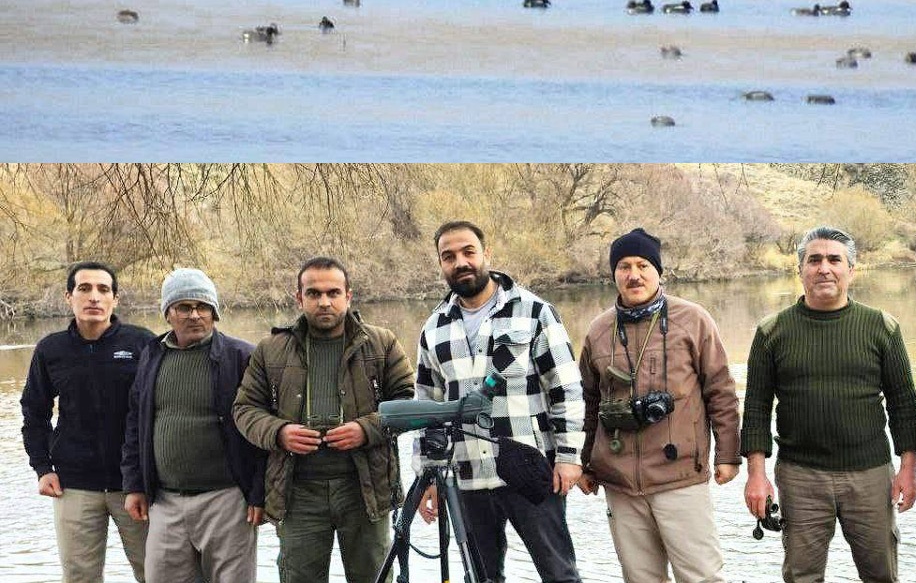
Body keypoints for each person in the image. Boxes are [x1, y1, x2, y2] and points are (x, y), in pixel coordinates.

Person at [741, 226, 916, 583]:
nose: (824, 268)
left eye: (834, 260)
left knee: (881, 574)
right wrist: (756, 475)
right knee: (801, 576)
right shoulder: (771, 331)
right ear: (801, 270)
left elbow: (904, 403)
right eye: (814, 260)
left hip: (870, 475)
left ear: (851, 270)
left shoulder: (881, 327)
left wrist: (908, 468)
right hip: (800, 478)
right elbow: (756, 409)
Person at [415, 221, 585, 583]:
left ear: (486, 254)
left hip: (530, 466)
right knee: (481, 577)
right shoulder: (434, 328)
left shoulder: (535, 311)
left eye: (468, 252)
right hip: (466, 475)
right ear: (441, 264)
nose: (460, 262)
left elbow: (566, 388)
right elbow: (427, 405)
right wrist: (428, 473)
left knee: (559, 573)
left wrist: (569, 457)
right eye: (449, 256)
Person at [234, 256, 416, 583]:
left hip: (365, 490)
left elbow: (406, 401)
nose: (324, 302)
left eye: (333, 292)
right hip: (296, 491)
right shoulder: (271, 349)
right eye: (314, 293)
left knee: (374, 577)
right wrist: (279, 432)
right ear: (299, 298)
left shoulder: (381, 342)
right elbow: (245, 409)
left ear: (349, 296)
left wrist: (366, 429)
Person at [578, 227, 742, 583]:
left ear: (658, 271)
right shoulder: (598, 331)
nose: (633, 275)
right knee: (639, 579)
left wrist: (728, 455)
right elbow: (588, 404)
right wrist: (585, 464)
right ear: (613, 274)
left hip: (681, 476)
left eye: (642, 265)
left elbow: (721, 391)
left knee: (701, 577)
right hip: (619, 482)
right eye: (623, 266)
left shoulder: (694, 320)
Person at [122, 268, 266, 583]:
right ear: (168, 314)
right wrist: (134, 484)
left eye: (203, 307)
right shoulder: (151, 355)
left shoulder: (241, 356)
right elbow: (136, 424)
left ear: (214, 312)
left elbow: (262, 430)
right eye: (184, 307)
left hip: (228, 499)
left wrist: (259, 492)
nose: (195, 315)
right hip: (165, 501)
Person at [20, 261, 154, 583]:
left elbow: (161, 409)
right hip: (74, 484)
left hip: (135, 485)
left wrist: (152, 472)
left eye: (103, 289)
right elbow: (34, 411)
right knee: (79, 578)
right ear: (69, 297)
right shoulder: (51, 349)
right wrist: (43, 467)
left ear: (115, 300)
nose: (94, 297)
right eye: (84, 288)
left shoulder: (143, 344)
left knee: (155, 572)